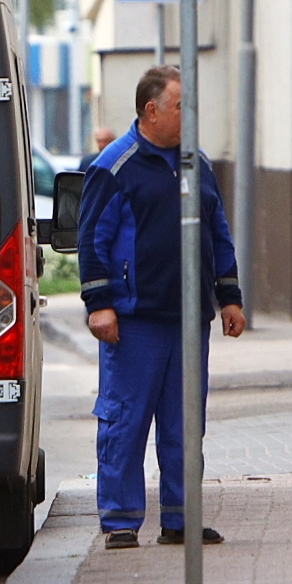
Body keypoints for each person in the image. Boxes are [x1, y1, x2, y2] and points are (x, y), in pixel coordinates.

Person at [77, 65, 248, 551]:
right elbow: (93, 240)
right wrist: (100, 304)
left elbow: (218, 232)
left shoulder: (198, 164)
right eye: (180, 106)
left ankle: (180, 518)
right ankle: (121, 521)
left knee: (184, 424)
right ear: (151, 110)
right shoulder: (115, 166)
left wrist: (229, 296)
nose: (187, 116)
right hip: (134, 321)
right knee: (125, 421)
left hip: (189, 317)